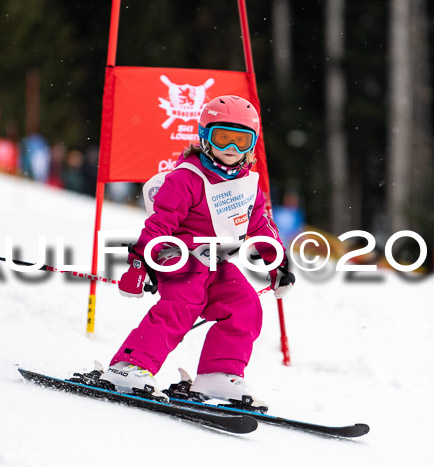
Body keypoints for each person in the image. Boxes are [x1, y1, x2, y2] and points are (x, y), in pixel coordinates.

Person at [99, 95, 295, 410]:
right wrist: (138, 265)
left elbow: (261, 226)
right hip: (180, 257)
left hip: (216, 261)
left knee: (244, 305)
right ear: (205, 136)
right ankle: (130, 366)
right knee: (183, 303)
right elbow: (159, 224)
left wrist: (278, 266)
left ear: (252, 144)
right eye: (223, 138)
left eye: (241, 141)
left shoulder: (247, 186)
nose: (231, 149)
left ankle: (219, 372)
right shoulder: (187, 178)